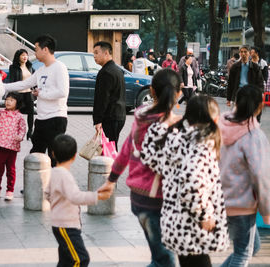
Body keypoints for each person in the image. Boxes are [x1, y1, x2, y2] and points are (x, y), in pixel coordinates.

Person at [98, 69, 183, 267]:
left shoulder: (141, 117)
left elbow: (126, 149)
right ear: (179, 93)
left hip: (138, 198)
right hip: (157, 201)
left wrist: (111, 180)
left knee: (159, 258)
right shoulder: (172, 127)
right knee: (166, 260)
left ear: (152, 91)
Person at [140, 95, 229, 267]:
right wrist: (204, 215)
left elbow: (150, 157)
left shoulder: (177, 139)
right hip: (191, 225)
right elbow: (192, 184)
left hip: (176, 221)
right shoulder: (201, 145)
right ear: (213, 118)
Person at [0, 35, 69, 167]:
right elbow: (23, 84)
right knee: (35, 155)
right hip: (42, 119)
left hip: (56, 119)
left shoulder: (59, 67)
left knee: (54, 157)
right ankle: (36, 186)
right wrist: (0, 87)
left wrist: (41, 94)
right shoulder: (41, 70)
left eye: (36, 49)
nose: (34, 52)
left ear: (45, 49)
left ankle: (54, 187)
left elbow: (62, 92)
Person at [218, 85, 270, 267]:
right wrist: (266, 211)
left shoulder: (220, 125)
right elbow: (261, 177)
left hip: (221, 200)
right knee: (242, 255)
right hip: (242, 205)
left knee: (251, 247)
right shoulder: (254, 137)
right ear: (259, 107)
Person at [44, 134, 110, 267]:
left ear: (53, 154)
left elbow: (47, 194)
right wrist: (97, 196)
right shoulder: (64, 175)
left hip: (62, 224)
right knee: (80, 259)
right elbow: (76, 197)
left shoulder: (55, 172)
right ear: (74, 156)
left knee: (66, 260)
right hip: (66, 226)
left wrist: (57, 206)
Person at [0, 93, 26, 200]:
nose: (8, 102)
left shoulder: (19, 116)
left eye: (11, 100)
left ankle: (10, 190)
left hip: (12, 147)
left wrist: (20, 136)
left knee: (11, 169)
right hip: (1, 146)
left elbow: (22, 129)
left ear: (17, 103)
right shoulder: (2, 112)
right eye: (7, 100)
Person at [92, 41, 126, 150]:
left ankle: (113, 167)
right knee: (111, 147)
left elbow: (102, 99)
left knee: (109, 150)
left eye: (97, 53)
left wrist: (98, 120)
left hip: (110, 117)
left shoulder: (106, 72)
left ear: (106, 53)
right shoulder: (117, 70)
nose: (94, 56)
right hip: (118, 115)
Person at [8, 49, 34, 140]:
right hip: (18, 94)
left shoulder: (30, 66)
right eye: (23, 55)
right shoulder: (13, 67)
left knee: (31, 113)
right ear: (18, 57)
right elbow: (12, 81)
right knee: (16, 114)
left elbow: (34, 79)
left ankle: (30, 131)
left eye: (26, 55)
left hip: (28, 93)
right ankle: (15, 131)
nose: (25, 57)